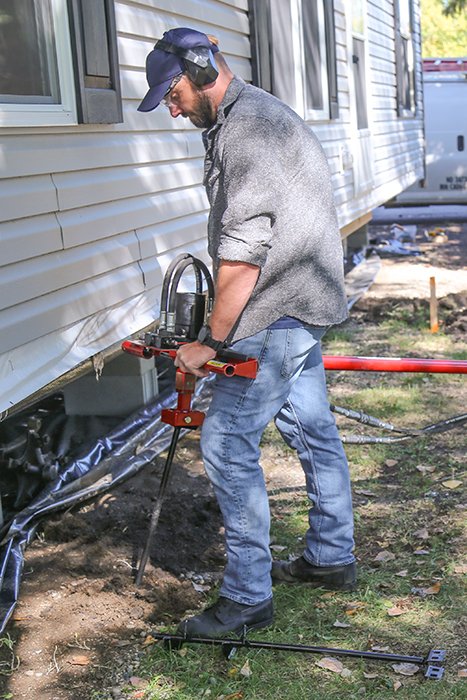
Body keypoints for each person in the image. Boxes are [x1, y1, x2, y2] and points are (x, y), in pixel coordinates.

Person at [139, 27, 356, 638]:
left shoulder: (248, 132)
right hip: (302, 306)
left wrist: (208, 341)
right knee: (310, 427)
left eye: (174, 92)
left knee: (226, 444)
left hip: (275, 314)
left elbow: (242, 257)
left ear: (204, 71)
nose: (173, 107)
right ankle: (331, 557)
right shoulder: (251, 115)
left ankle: (245, 600)